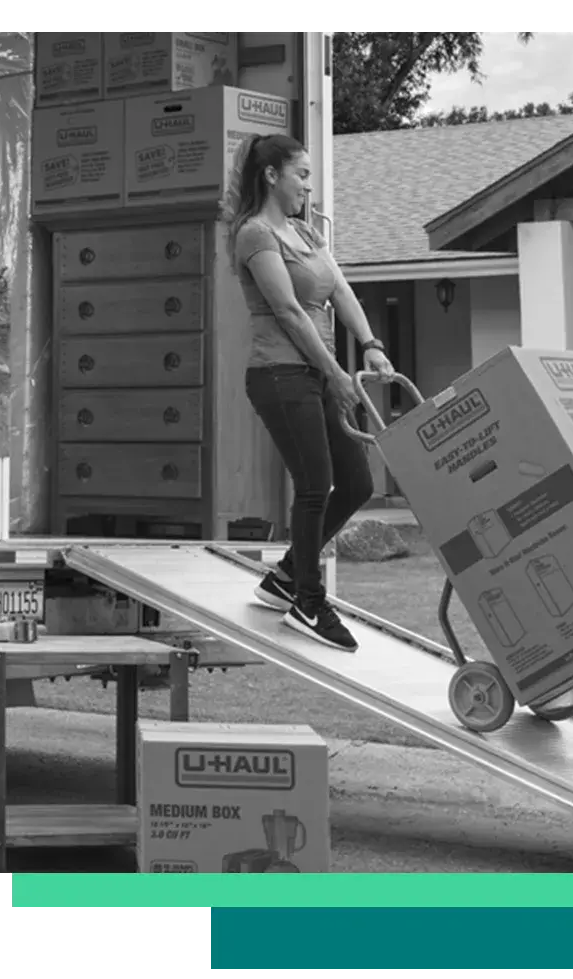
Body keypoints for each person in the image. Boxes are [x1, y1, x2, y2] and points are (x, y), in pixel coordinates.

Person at [222, 132, 395, 653]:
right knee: (316, 483)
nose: (307, 185)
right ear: (272, 176)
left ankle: (286, 576)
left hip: (316, 374)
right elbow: (290, 313)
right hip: (279, 375)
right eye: (301, 174)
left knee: (359, 483)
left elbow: (340, 290)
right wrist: (337, 375)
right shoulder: (254, 235)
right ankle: (307, 600)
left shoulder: (304, 232)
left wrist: (370, 345)